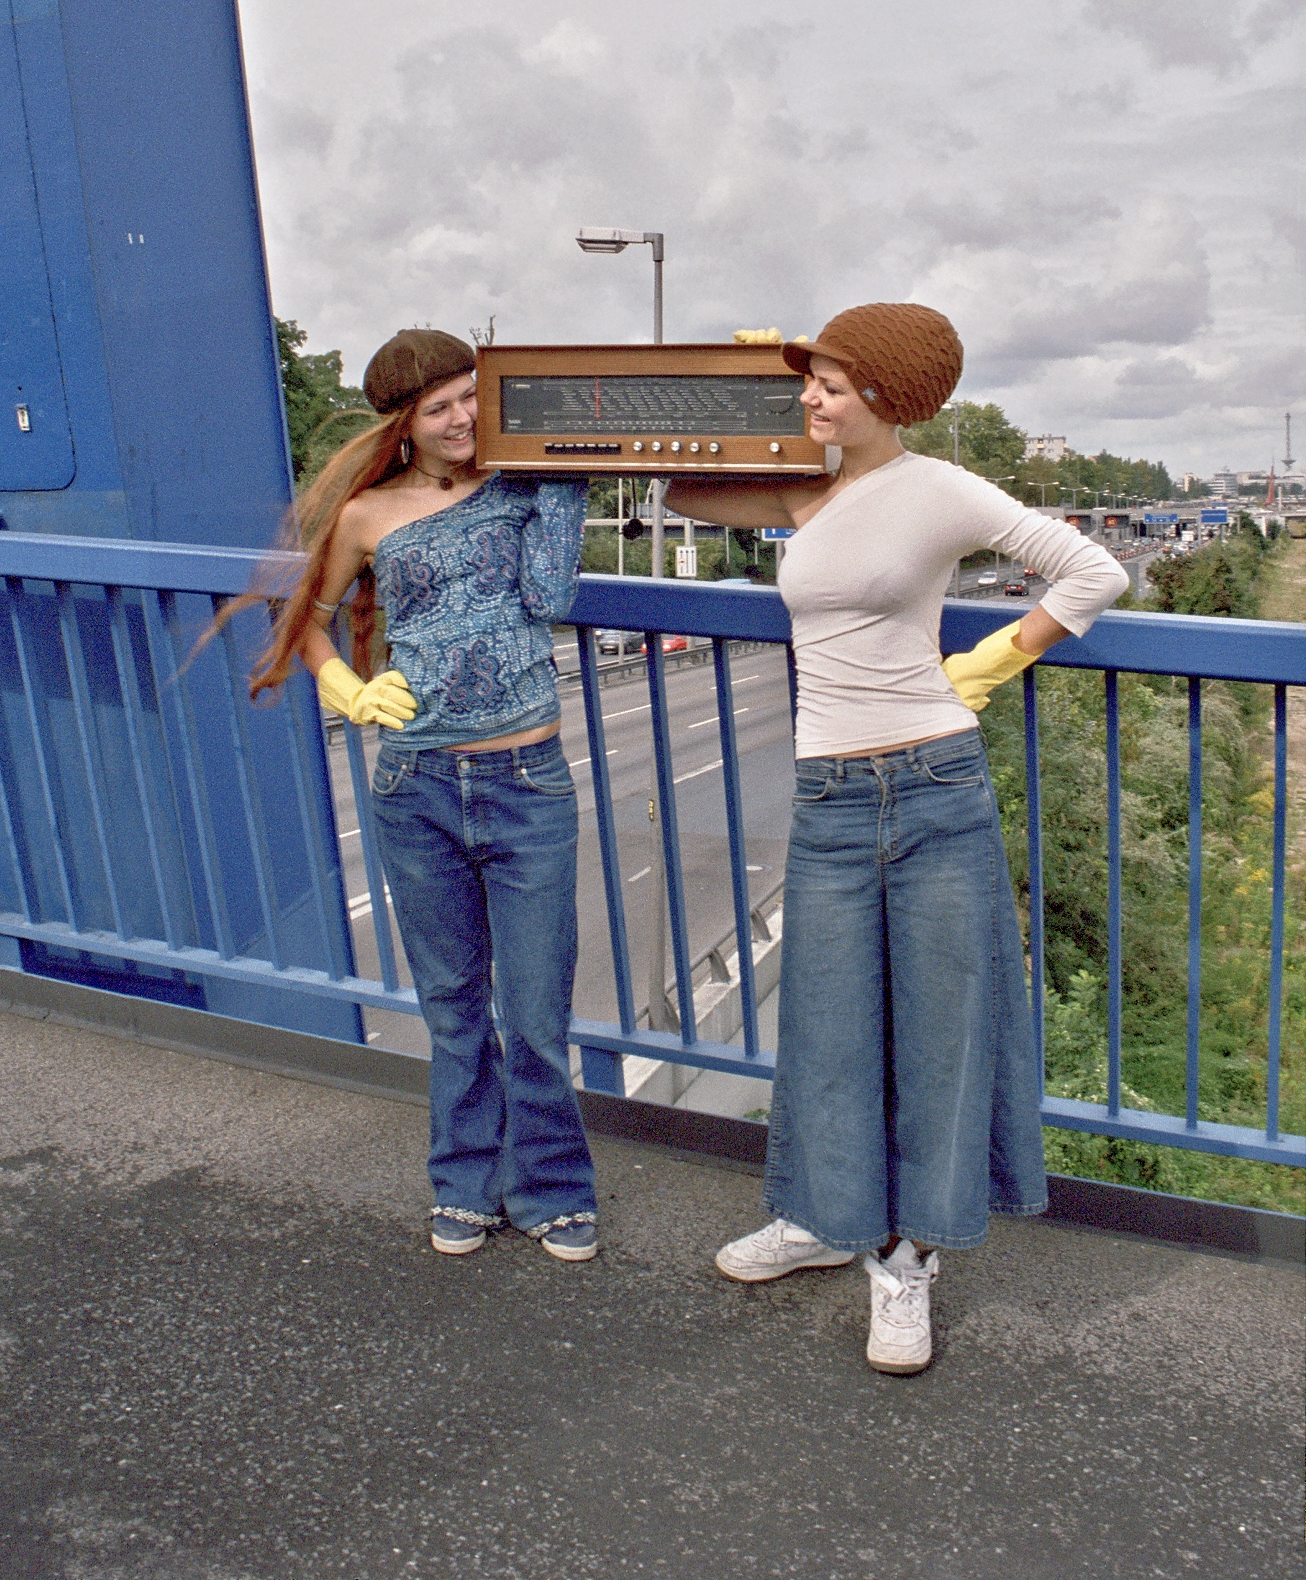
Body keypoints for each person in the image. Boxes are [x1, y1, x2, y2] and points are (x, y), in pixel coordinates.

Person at [665, 303, 1127, 1374]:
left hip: (931, 781)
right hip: (828, 793)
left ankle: (906, 1263)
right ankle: (825, 1221)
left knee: (936, 1032)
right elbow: (679, 488)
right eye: (806, 380)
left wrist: (1001, 656)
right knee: (827, 1024)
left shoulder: (941, 490)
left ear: (886, 394)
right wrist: (721, 393)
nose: (808, 397)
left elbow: (1092, 572)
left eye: (827, 381)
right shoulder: (809, 492)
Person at [247, 328, 598, 1262]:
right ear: (403, 423)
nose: (458, 419)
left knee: (534, 1013)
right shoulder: (365, 514)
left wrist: (567, 478)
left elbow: (549, 597)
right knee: (451, 1008)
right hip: (415, 783)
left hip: (526, 781)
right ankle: (463, 1183)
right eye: (435, 407)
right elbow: (309, 621)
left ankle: (555, 1186)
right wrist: (343, 686)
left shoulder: (528, 485)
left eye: (468, 397)